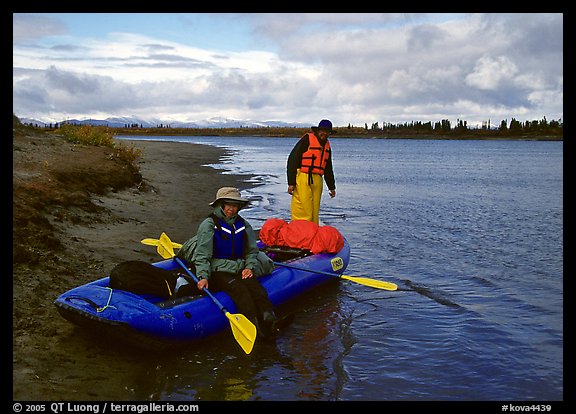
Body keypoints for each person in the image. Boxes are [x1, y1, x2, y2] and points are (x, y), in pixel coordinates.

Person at [191, 187, 279, 338]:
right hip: (218, 270)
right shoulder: (209, 225)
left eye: (235, 205)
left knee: (256, 289)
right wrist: (203, 276)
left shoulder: (243, 224)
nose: (231, 208)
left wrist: (249, 267)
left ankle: (271, 320)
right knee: (240, 291)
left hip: (239, 266)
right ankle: (255, 328)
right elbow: (202, 255)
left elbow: (252, 251)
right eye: (228, 204)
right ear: (221, 205)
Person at [287, 119, 336, 224]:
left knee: (314, 211)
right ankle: (300, 233)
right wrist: (291, 183)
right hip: (303, 177)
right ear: (318, 131)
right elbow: (292, 160)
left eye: (327, 131)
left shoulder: (327, 146)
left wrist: (331, 187)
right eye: (322, 131)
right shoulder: (307, 140)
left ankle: (313, 232)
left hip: (317, 179)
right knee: (303, 209)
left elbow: (328, 168)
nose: (325, 133)